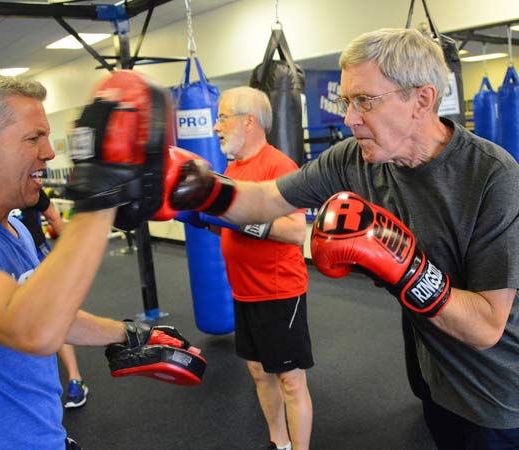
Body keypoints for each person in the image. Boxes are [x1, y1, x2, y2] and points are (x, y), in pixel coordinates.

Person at [167, 28, 519, 450]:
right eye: (348, 101)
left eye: (365, 101)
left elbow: (486, 326)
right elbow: (266, 199)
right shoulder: (354, 158)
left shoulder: (493, 177)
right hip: (436, 373)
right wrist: (201, 190)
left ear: (422, 100)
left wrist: (401, 264)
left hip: (500, 391)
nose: (349, 118)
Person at [0, 71, 199, 450]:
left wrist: (129, 332)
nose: (49, 152)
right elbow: (30, 329)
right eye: (33, 138)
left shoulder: (14, 230)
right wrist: (101, 194)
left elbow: (49, 313)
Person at [185, 86, 312, 450]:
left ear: (249, 121)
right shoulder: (232, 170)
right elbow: (229, 226)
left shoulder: (278, 166)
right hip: (243, 290)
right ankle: (279, 442)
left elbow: (294, 231)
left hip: (278, 291)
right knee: (258, 371)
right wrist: (200, 220)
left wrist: (241, 221)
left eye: (222, 117)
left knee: (290, 380)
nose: (216, 126)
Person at [14, 188, 88, 408]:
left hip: (37, 255)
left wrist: (72, 253)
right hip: (9, 258)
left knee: (53, 314)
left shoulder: (30, 189)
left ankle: (75, 379)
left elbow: (54, 217)